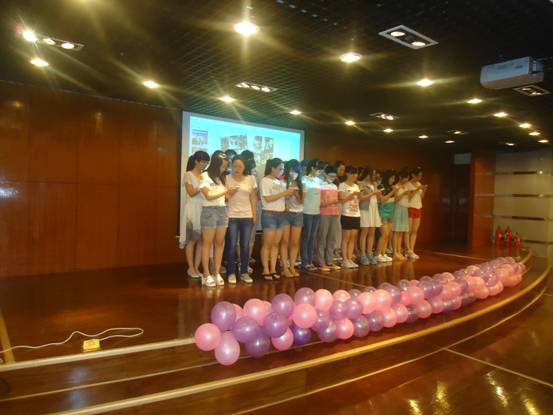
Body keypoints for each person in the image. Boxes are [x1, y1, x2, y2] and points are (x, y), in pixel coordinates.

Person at [199, 152, 237, 287]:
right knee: (207, 244)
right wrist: (226, 191)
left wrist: (229, 194)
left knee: (219, 243)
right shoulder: (204, 176)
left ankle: (216, 272)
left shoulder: (221, 178)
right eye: (222, 166)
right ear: (215, 164)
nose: (224, 169)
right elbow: (208, 195)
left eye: (226, 167)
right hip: (209, 211)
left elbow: (224, 198)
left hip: (222, 210)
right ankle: (206, 274)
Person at [260, 158, 295, 280]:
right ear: (272, 168)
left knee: (276, 244)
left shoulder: (279, 182)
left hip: (281, 214)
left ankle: (273, 269)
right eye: (280, 169)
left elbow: (281, 197)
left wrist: (286, 201)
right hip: (269, 214)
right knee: (267, 244)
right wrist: (284, 193)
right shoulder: (265, 180)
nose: (282, 171)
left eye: (283, 169)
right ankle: (265, 269)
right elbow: (268, 198)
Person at [225, 155, 257, 284]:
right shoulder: (227, 178)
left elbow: (253, 198)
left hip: (247, 216)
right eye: (235, 166)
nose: (237, 168)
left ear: (244, 167)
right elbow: (223, 198)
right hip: (232, 216)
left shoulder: (250, 178)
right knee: (232, 245)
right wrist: (229, 194)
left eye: (240, 166)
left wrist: (254, 215)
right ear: (231, 166)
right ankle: (231, 273)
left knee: (245, 245)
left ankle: (244, 272)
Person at [182, 151, 210, 279]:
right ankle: (190, 268)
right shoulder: (188, 174)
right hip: (192, 209)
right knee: (192, 240)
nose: (205, 165)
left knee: (201, 240)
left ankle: (197, 267)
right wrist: (201, 186)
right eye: (203, 162)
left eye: (206, 162)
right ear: (196, 161)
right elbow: (191, 192)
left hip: (204, 208)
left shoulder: (205, 176)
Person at [281, 159, 303, 277]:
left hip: (298, 214)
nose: (292, 173)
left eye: (295, 171)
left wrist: (295, 193)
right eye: (290, 170)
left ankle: (292, 267)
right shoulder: (282, 182)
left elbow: (302, 201)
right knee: (284, 241)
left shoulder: (301, 184)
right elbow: (280, 198)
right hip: (285, 214)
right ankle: (285, 267)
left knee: (295, 242)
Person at [317, 165, 341, 271]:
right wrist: (331, 202)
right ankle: (320, 262)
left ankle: (330, 261)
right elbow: (320, 203)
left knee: (332, 238)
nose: (332, 178)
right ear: (325, 175)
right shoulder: (320, 185)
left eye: (334, 176)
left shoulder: (335, 186)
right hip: (324, 214)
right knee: (322, 238)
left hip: (334, 213)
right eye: (330, 176)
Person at [300, 159, 323, 271]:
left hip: (316, 212)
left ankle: (310, 260)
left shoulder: (319, 180)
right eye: (318, 168)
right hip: (307, 211)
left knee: (312, 237)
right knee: (306, 237)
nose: (319, 171)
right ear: (312, 168)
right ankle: (304, 262)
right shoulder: (304, 179)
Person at [358, 167, 382, 265]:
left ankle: (369, 253)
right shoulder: (361, 184)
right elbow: (361, 198)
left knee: (372, 232)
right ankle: (363, 255)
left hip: (374, 209)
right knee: (364, 232)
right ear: (368, 174)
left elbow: (379, 198)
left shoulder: (374, 184)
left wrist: (378, 193)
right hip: (365, 209)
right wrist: (373, 193)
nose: (375, 176)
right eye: (373, 174)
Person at [338, 165, 361, 268]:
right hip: (346, 214)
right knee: (346, 238)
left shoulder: (356, 186)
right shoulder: (342, 185)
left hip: (356, 214)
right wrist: (351, 195)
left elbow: (359, 199)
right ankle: (344, 260)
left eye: (356, 173)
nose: (354, 175)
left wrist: (360, 195)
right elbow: (341, 199)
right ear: (347, 174)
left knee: (353, 238)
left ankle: (349, 258)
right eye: (352, 173)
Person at [406, 167, 427, 259]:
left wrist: (423, 191)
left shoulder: (419, 184)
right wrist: (417, 189)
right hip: (410, 207)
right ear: (413, 175)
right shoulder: (408, 184)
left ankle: (412, 249)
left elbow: (421, 198)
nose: (420, 178)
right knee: (408, 230)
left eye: (421, 176)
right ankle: (407, 250)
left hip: (418, 207)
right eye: (418, 176)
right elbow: (409, 197)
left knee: (415, 231)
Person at [375, 170, 397, 262]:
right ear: (387, 177)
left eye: (394, 178)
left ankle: (383, 254)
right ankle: (378, 254)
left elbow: (396, 200)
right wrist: (393, 191)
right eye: (391, 178)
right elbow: (382, 200)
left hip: (391, 213)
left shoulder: (391, 187)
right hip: (383, 212)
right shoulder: (381, 186)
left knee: (387, 235)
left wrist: (395, 191)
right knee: (383, 234)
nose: (393, 180)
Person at [392, 168, 411, 261]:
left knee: (401, 232)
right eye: (405, 178)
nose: (406, 180)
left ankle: (399, 251)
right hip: (398, 209)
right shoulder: (396, 186)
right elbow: (395, 200)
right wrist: (404, 193)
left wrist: (409, 194)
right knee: (396, 231)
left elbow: (409, 199)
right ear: (400, 177)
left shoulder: (405, 187)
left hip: (404, 209)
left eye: (407, 178)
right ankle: (395, 252)